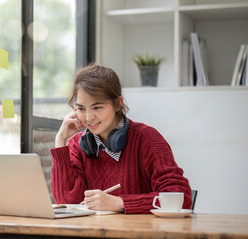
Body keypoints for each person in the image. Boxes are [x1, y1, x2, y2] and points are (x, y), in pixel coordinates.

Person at [50, 63, 192, 214]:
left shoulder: (147, 139)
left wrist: (119, 202)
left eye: (97, 107)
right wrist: (60, 141)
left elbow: (181, 198)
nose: (88, 117)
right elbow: (67, 202)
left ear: (118, 104)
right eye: (81, 108)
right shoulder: (77, 145)